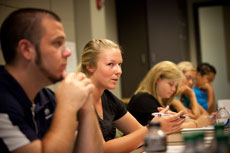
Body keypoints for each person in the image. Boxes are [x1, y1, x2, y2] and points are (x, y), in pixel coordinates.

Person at [0, 8, 103, 153]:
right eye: (57, 43)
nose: (68, 52)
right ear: (26, 50)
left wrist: (86, 108)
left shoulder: (45, 96)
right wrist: (67, 105)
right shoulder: (3, 103)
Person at [77, 39, 184, 153]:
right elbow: (101, 149)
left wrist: (166, 122)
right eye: (110, 64)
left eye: (119, 64)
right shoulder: (79, 98)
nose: (119, 71)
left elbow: (138, 130)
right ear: (90, 66)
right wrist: (153, 128)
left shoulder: (108, 98)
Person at [127, 61, 210, 129]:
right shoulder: (143, 99)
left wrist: (198, 122)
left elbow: (180, 120)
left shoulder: (165, 101)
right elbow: (166, 128)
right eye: (171, 84)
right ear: (157, 79)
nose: (174, 89)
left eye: (175, 86)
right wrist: (196, 124)